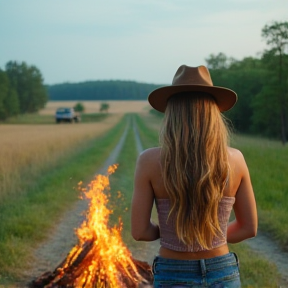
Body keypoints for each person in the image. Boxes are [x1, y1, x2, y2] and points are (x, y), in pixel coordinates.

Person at [131, 65, 257, 287]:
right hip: (223, 271)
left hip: (172, 273)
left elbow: (140, 231)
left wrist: (174, 233)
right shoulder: (235, 159)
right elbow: (249, 227)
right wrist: (209, 233)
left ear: (171, 114)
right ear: (213, 112)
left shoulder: (149, 161)